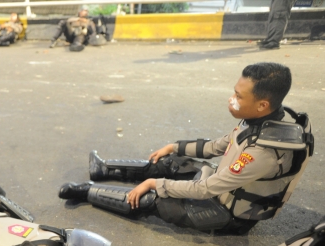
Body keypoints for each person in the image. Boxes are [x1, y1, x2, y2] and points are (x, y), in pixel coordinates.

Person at [59, 62, 314, 235]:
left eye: (239, 96)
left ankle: (86, 192)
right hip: (222, 187)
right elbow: (217, 146)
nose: (232, 99)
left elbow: (204, 190)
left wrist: (154, 184)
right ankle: (103, 169)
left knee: (153, 199)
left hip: (226, 213)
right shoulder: (262, 122)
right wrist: (172, 146)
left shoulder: (261, 153)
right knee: (171, 161)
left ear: (262, 104)